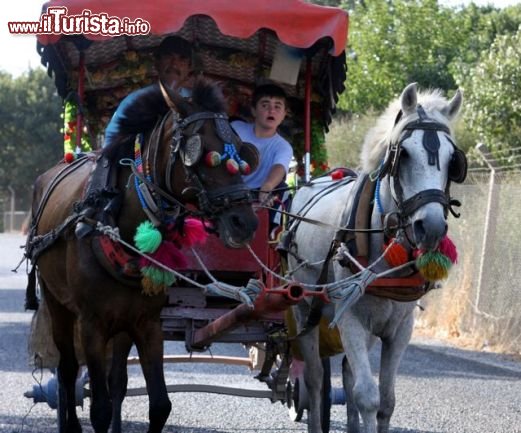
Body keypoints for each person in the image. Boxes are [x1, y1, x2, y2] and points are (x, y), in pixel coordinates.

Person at [76, 35, 193, 237]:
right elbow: (113, 143)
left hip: (189, 172)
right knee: (107, 160)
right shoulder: (137, 100)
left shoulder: (196, 104)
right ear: (157, 63)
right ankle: (94, 211)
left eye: (181, 59)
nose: (175, 63)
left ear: (189, 68)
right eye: (169, 57)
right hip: (140, 176)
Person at [231, 83, 293, 206]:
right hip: (225, 189)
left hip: (256, 194)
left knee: (283, 192)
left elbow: (279, 168)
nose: (271, 110)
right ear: (254, 110)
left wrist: (267, 187)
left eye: (277, 106)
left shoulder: (284, 147)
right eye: (265, 105)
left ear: (284, 114)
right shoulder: (235, 128)